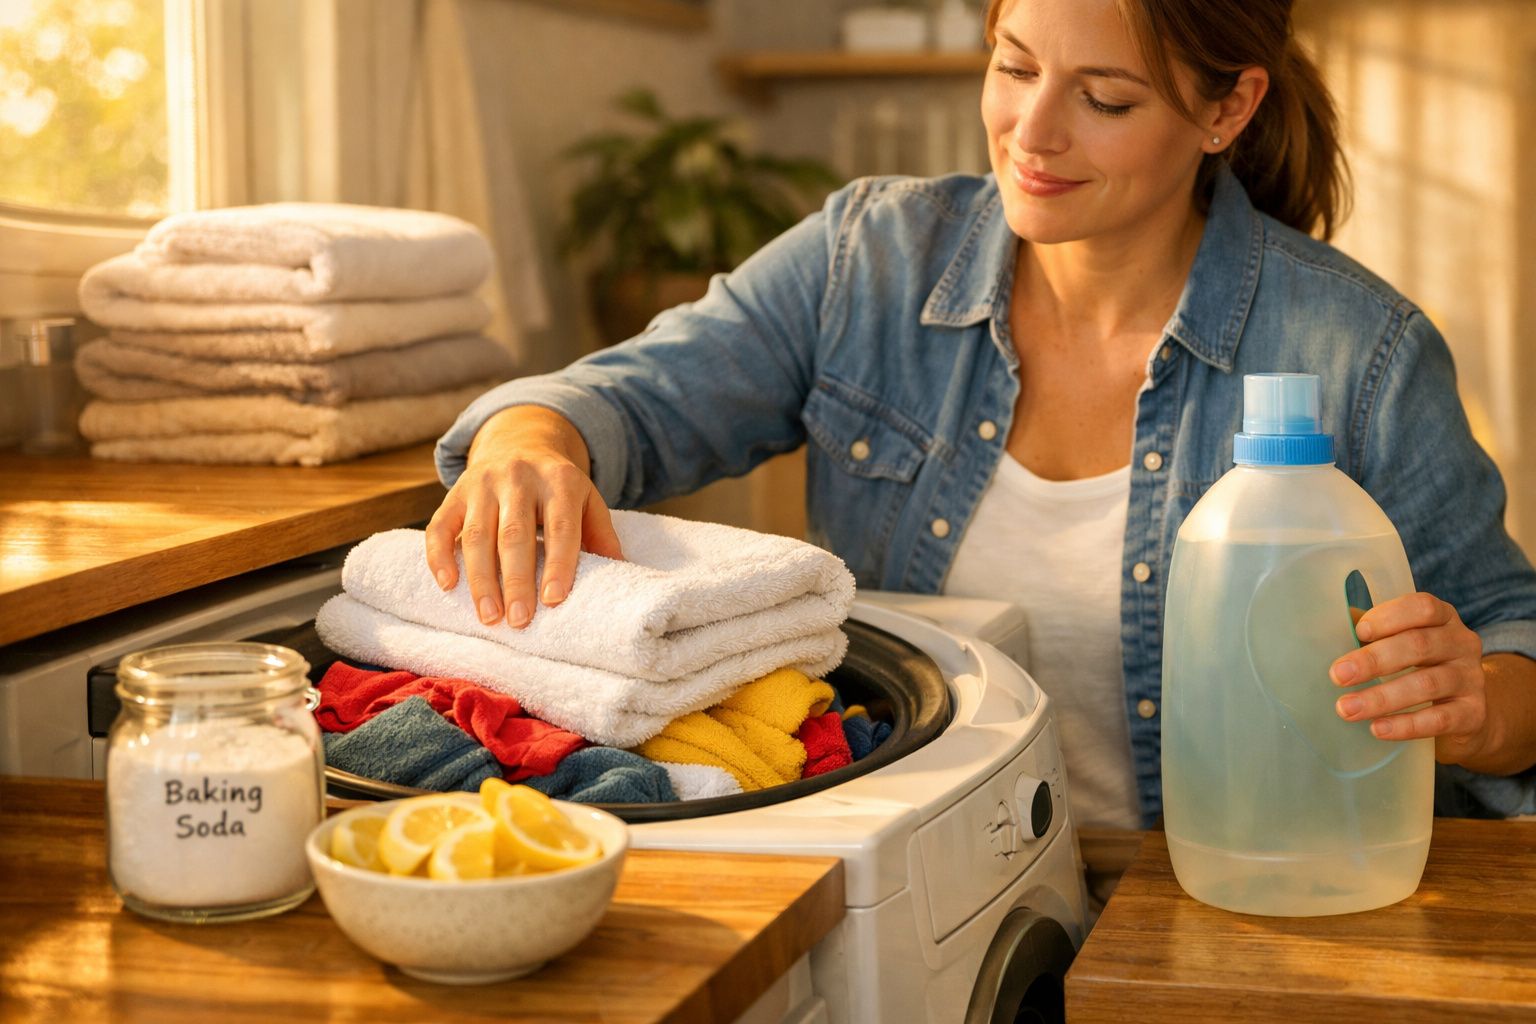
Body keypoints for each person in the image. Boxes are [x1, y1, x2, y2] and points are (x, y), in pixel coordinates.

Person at [426, 0, 1536, 828]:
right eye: (1013, 67)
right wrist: (533, 439)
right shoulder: (869, 259)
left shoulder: (1356, 351)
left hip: (1221, 906)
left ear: (1228, 106)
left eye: (1105, 100)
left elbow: (1514, 645)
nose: (1031, 133)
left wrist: (1476, 698)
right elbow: (627, 398)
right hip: (921, 871)